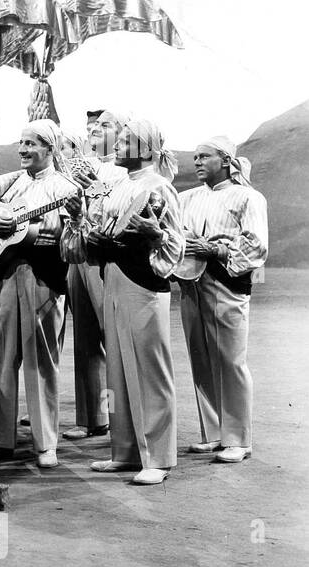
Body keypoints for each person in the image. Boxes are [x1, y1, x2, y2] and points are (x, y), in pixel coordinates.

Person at [62, 118, 183, 485]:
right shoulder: (117, 188)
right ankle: (125, 450)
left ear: (146, 149)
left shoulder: (159, 187)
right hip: (112, 277)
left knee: (149, 368)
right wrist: (79, 219)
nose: (119, 144)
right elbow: (96, 238)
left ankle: (158, 457)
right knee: (115, 367)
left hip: (142, 284)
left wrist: (156, 233)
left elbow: (174, 246)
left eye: (127, 139)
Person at [0, 119, 78, 468]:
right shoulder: (9, 184)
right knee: (4, 358)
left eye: (32, 144)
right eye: (22, 143)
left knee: (42, 361)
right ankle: (1, 440)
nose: (23, 150)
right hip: (9, 276)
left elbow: (75, 240)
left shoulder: (65, 188)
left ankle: (46, 444)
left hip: (45, 280)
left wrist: (62, 228)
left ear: (50, 149)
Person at [177, 136, 267, 463]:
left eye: (205, 156)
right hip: (191, 281)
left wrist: (215, 249)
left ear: (225, 160)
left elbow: (256, 244)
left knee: (231, 360)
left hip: (226, 280)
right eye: (195, 156)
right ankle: (214, 433)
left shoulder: (248, 198)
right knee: (200, 356)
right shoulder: (187, 197)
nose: (197, 162)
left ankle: (239, 439)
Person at [59, 111, 130, 440]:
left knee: (110, 337)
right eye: (94, 126)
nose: (95, 131)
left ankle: (117, 416)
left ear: (121, 133)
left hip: (104, 259)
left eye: (105, 126)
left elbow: (118, 210)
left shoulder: (123, 170)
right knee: (85, 338)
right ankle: (92, 417)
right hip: (78, 255)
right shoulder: (80, 166)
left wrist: (94, 185)